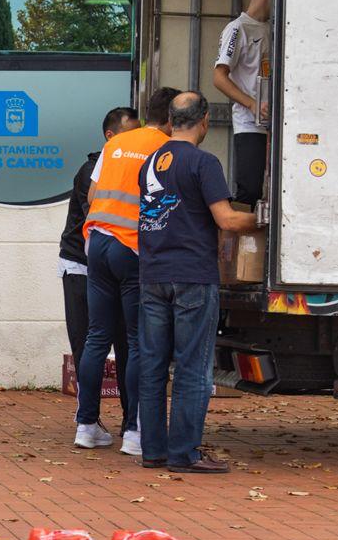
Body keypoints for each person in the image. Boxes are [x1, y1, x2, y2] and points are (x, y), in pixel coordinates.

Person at [137, 91, 258, 474]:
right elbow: (226, 220)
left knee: (153, 366)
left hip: (153, 274)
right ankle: (185, 453)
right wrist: (266, 220)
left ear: (171, 121)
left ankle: (153, 451)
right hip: (191, 275)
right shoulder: (204, 162)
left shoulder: (150, 163)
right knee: (192, 367)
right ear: (204, 120)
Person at [74, 87, 179, 457]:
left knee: (97, 337)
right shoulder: (164, 148)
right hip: (132, 248)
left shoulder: (115, 144)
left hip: (97, 242)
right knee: (136, 341)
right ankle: (134, 431)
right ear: (170, 119)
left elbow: (92, 196)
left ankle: (86, 426)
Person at [59, 107, 137, 361]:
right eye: (128, 134)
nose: (134, 141)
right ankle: (87, 401)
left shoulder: (134, 169)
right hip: (81, 265)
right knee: (88, 341)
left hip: (115, 263)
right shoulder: (90, 172)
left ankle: (130, 402)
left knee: (126, 341)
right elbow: (98, 217)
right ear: (110, 136)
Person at [213, 0, 272, 206]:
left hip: (275, 123)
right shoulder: (238, 28)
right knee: (250, 190)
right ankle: (242, 243)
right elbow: (219, 77)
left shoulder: (275, 28)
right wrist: (251, 104)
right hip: (250, 124)